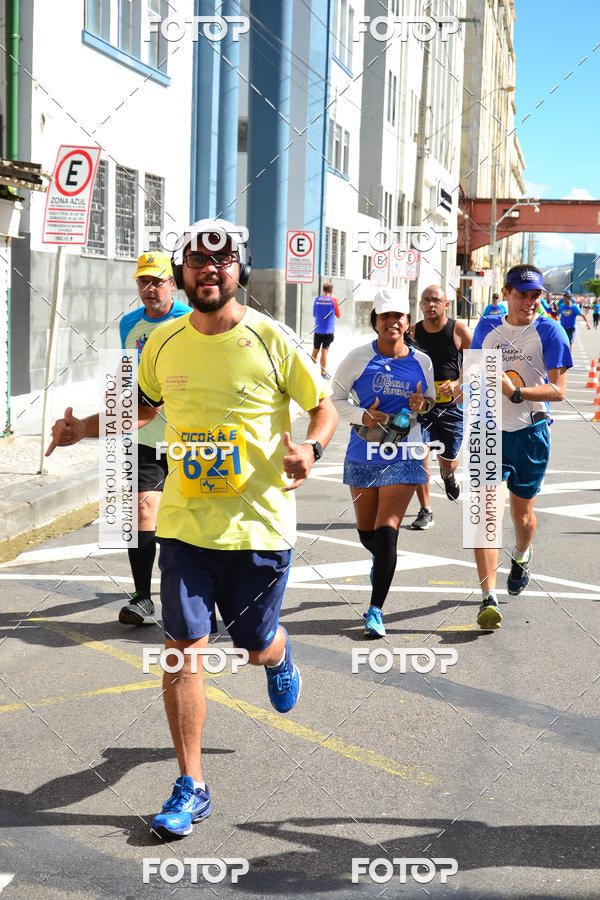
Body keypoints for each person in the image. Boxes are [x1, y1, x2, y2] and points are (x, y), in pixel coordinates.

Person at [47, 218, 338, 839]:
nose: (212, 270)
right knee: (182, 654)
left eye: (225, 261)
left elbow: (323, 406)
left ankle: (278, 655)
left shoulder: (272, 338)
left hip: (259, 528)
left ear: (239, 271)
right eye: (199, 263)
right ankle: (192, 783)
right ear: (182, 275)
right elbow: (144, 407)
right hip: (184, 526)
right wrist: (82, 430)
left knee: (254, 644)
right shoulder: (162, 342)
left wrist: (311, 450)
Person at [468, 264, 572, 629]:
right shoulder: (488, 327)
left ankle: (522, 554)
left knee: (521, 515)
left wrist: (515, 392)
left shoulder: (551, 331)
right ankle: (487, 598)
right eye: (522, 293)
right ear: (506, 292)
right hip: (488, 431)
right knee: (483, 513)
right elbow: (476, 374)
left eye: (535, 295)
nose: (528, 301)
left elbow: (558, 391)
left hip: (530, 433)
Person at [331, 290, 435, 637]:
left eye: (399, 317)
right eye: (385, 317)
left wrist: (421, 405)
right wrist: (364, 414)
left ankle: (375, 610)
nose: (392, 322)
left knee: (388, 528)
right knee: (367, 533)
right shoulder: (357, 357)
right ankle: (381, 560)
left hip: (405, 449)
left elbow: (429, 402)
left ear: (407, 323)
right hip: (364, 448)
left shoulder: (422, 361)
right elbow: (334, 399)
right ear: (375, 322)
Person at [117, 252, 190, 625]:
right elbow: (126, 373)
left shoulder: (190, 321)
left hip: (187, 439)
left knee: (186, 520)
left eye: (156, 281)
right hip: (144, 436)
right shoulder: (129, 324)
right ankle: (143, 597)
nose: (149, 288)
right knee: (141, 511)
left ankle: (194, 597)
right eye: (142, 282)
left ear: (172, 285)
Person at [409, 285, 472, 530]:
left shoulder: (458, 330)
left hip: (451, 407)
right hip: (422, 406)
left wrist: (457, 383)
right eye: (426, 300)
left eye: (436, 300)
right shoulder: (413, 332)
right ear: (421, 304)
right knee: (418, 453)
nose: (430, 305)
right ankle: (426, 509)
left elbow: (476, 360)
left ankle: (447, 475)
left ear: (446, 304)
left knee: (449, 460)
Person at [311, 281, 340, 378]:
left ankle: (308, 371)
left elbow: (314, 314)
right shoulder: (333, 300)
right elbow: (338, 315)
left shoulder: (317, 299)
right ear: (331, 290)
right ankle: (323, 373)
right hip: (328, 331)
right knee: (324, 351)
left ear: (323, 289)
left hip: (318, 330)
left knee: (315, 349)